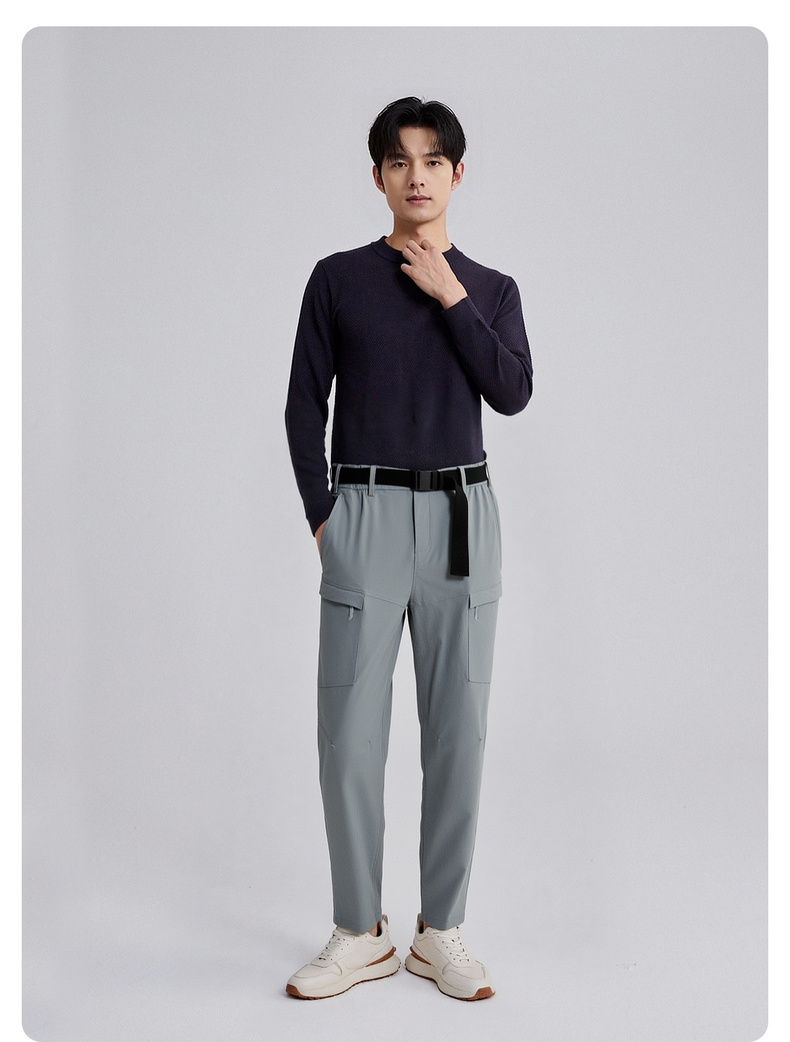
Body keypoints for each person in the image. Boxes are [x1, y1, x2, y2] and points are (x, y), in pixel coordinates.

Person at [283, 96, 533, 1001]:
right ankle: (359, 932)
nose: (416, 175)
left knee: (459, 731)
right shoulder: (339, 279)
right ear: (379, 175)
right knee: (348, 734)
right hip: (365, 514)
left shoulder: (491, 289)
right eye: (399, 160)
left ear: (458, 174)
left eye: (432, 160)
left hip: (465, 517)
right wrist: (326, 518)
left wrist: (450, 294)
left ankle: (441, 932)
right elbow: (303, 404)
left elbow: (512, 392)